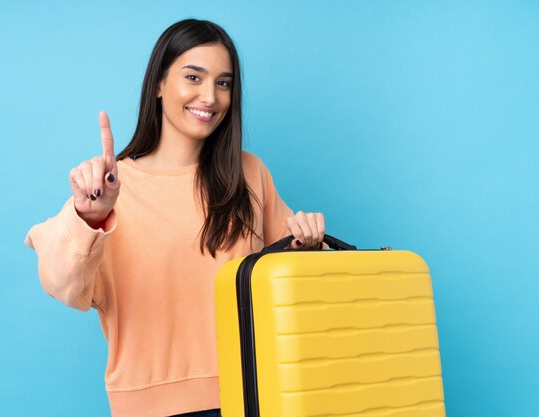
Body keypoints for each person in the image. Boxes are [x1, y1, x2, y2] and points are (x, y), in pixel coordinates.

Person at [25, 19, 326, 417]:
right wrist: (89, 216)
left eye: (223, 83)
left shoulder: (249, 174)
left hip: (255, 395)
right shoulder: (111, 186)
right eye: (193, 77)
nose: (210, 96)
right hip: (153, 407)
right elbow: (64, 285)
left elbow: (288, 289)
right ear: (159, 85)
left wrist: (307, 246)